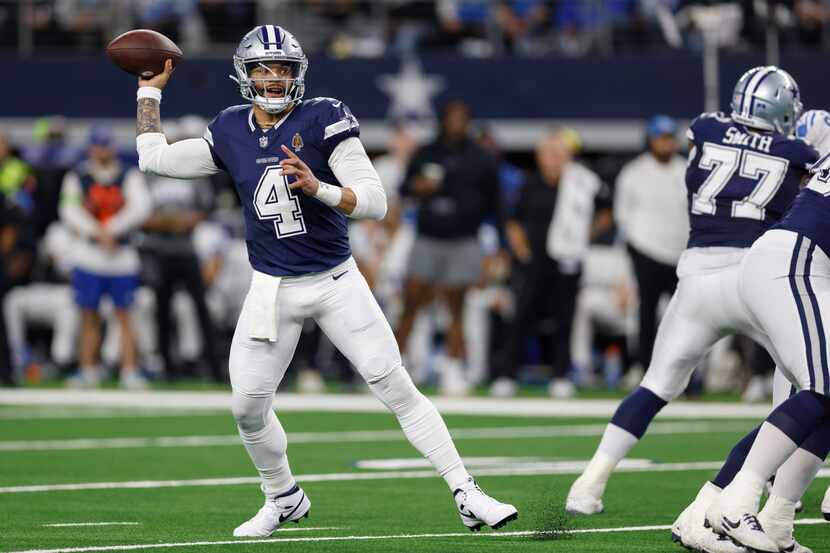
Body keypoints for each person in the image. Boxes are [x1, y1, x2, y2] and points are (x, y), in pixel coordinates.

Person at [133, 24, 517, 537]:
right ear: (245, 74)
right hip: (271, 287)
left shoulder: (323, 117)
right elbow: (152, 158)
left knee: (394, 385)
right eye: (264, 68)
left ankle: (467, 491)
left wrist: (319, 188)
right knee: (247, 408)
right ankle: (282, 496)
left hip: (335, 281)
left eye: (284, 68)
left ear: (299, 73)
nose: (274, 78)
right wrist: (148, 89)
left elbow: (376, 202)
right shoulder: (229, 129)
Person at [564, 66, 818, 553]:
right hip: (756, 279)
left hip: (697, 277)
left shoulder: (703, 127)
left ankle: (590, 482)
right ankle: (765, 489)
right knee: (805, 389)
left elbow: (709, 145)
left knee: (655, 386)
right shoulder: (797, 152)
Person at [493, 130, 611, 398]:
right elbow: (513, 220)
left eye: (559, 154)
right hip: (534, 261)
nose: (554, 159)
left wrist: (587, 236)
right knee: (521, 315)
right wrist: (522, 249)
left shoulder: (581, 183)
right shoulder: (530, 183)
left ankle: (561, 376)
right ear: (539, 157)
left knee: (565, 317)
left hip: (568, 260)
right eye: (549, 154)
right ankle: (507, 375)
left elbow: (607, 209)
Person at [395, 100, 502, 396]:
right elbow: (405, 189)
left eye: (461, 118)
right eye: (451, 117)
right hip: (428, 236)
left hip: (464, 239)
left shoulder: (481, 157)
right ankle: (394, 368)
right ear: (442, 120)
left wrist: (500, 247)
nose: (456, 123)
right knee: (411, 303)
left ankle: (453, 368)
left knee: (457, 308)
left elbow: (497, 204)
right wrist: (419, 188)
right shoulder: (427, 152)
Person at [59, 126, 152, 388]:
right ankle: (87, 368)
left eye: (106, 145)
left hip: (121, 257)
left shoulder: (128, 175)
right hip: (90, 255)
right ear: (91, 148)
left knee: (126, 315)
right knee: (88, 314)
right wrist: (96, 232)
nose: (102, 151)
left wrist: (111, 230)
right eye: (98, 146)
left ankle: (129, 369)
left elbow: (141, 207)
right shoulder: (78, 176)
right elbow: (69, 209)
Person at [614, 115, 689, 384]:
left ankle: (684, 376)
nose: (666, 144)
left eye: (670, 138)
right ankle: (644, 367)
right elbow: (622, 215)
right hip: (645, 250)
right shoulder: (634, 172)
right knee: (645, 314)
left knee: (683, 318)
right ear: (650, 140)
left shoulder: (687, 170)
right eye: (661, 138)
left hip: (679, 253)